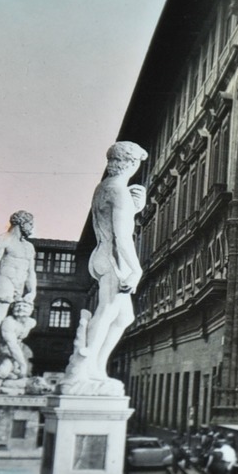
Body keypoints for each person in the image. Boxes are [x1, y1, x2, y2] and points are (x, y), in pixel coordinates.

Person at [65, 143, 147, 384]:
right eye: (137, 165)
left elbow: (108, 221)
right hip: (114, 256)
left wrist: (134, 208)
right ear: (131, 163)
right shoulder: (119, 192)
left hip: (101, 254)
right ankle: (85, 369)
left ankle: (97, 368)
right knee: (107, 310)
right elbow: (122, 237)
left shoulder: (104, 187)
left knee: (123, 318)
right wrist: (137, 269)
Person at [0, 210, 37, 377]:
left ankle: (9, 362)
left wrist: (32, 291)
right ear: (21, 223)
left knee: (16, 326)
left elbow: (31, 271)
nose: (32, 228)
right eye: (30, 224)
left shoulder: (29, 246)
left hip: (21, 287)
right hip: (5, 282)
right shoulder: (3, 239)